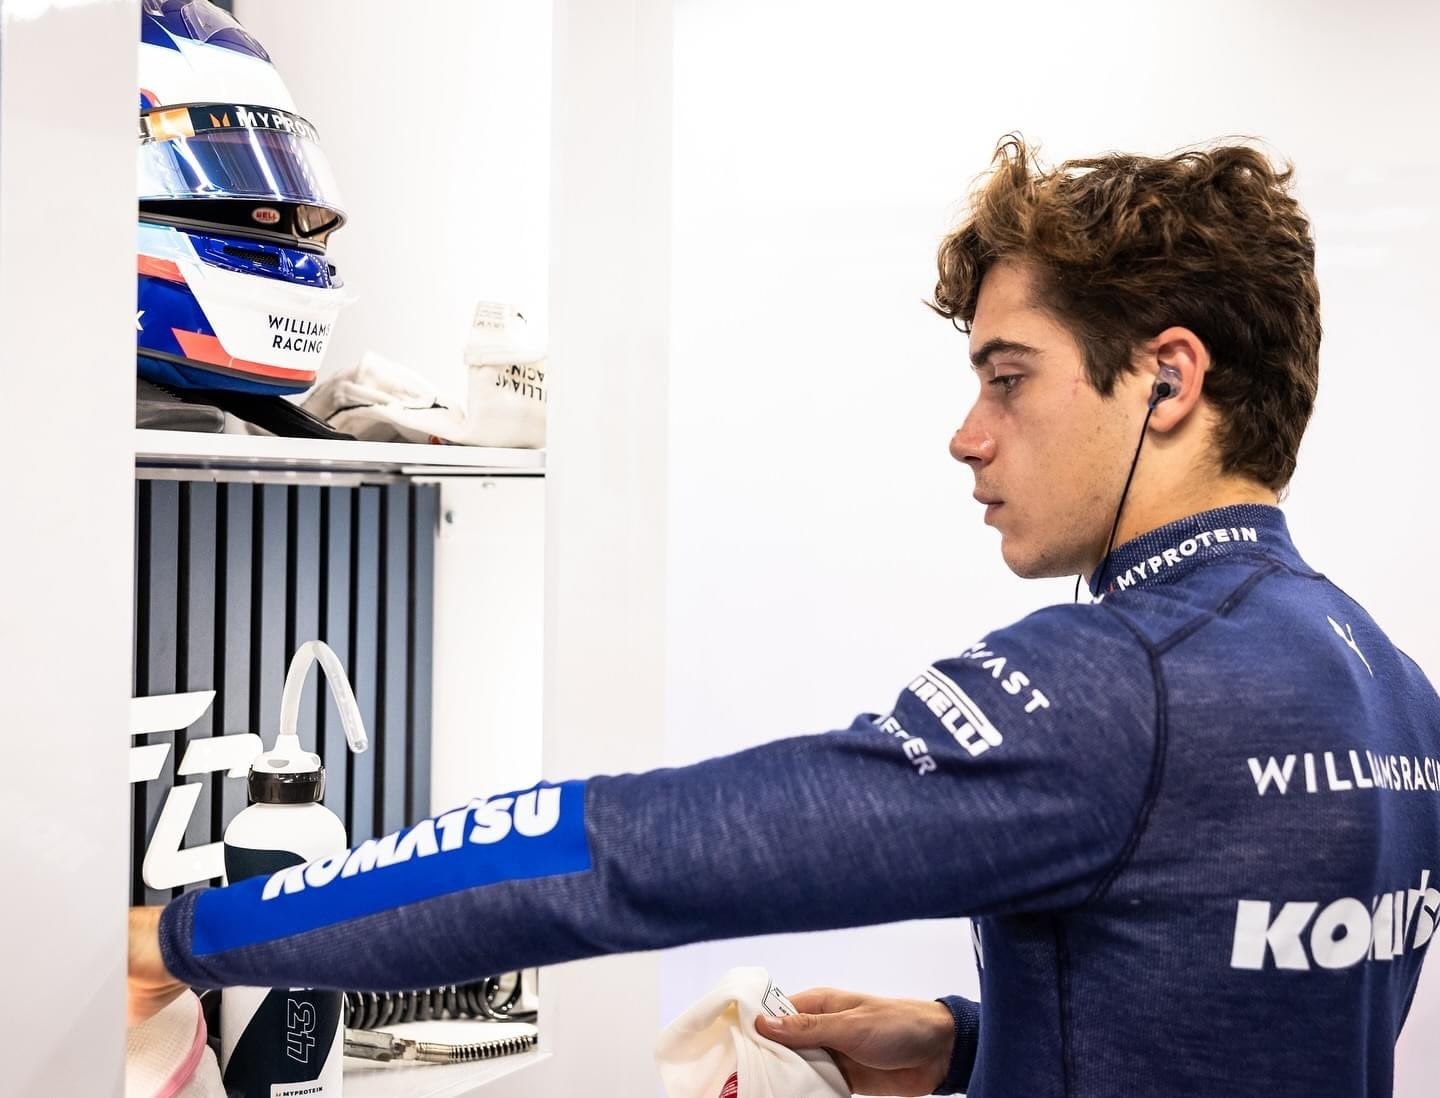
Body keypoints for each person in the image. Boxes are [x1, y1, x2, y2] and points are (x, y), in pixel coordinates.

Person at [129, 136, 1440, 1097]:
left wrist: (196, 931)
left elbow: (625, 854)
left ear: (1166, 378)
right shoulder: (1383, 679)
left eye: (1007, 378)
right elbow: (1253, 1034)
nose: (967, 435)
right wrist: (967, 1040)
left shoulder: (1118, 694)